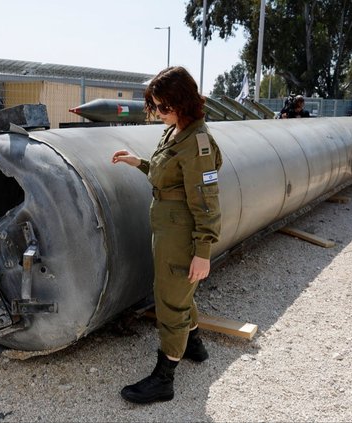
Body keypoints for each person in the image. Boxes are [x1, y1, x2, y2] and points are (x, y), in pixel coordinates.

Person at [111, 66, 222, 404]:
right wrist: (139, 163)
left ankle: (164, 378)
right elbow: (167, 175)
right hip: (167, 226)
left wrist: (203, 251)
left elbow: (206, 203)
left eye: (163, 106)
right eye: (155, 106)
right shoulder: (176, 131)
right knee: (176, 289)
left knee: (170, 299)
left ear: (183, 102)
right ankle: (194, 346)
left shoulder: (197, 143)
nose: (157, 112)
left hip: (182, 231)